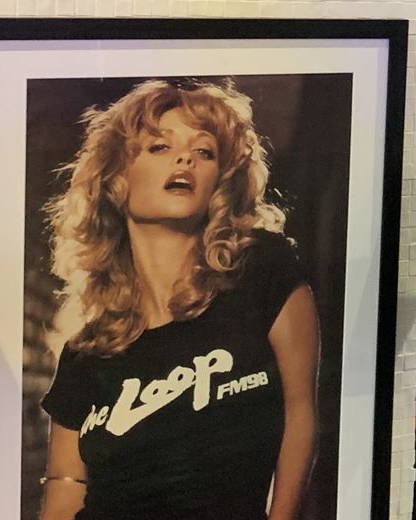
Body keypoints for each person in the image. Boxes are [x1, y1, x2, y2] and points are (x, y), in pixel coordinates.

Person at [39, 79, 319, 520]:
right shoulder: (86, 353)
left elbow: (300, 415)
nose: (185, 158)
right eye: (159, 147)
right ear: (117, 178)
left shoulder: (262, 271)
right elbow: (65, 485)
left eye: (204, 151)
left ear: (219, 182)